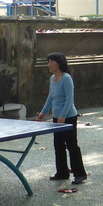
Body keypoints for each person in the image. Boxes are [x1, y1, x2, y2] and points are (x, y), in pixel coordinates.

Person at [36, 52, 87, 184]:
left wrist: (63, 115)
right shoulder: (52, 78)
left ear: (58, 64)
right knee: (58, 145)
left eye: (51, 62)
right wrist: (43, 112)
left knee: (71, 145)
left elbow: (70, 99)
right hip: (56, 117)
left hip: (68, 117)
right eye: (48, 62)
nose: (48, 65)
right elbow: (50, 97)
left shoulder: (66, 78)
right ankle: (62, 172)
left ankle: (80, 174)